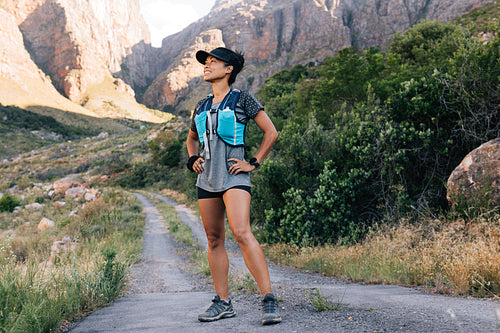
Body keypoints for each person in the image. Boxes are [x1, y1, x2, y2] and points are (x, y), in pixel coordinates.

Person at [186, 47, 281, 326]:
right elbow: (191, 138)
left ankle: (269, 299)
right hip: (207, 180)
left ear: (229, 69)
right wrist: (193, 158)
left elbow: (271, 132)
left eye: (213, 62)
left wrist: (253, 162)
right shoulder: (201, 106)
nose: (207, 65)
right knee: (214, 239)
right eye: (205, 62)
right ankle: (223, 302)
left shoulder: (243, 100)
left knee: (241, 232)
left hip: (234, 176)